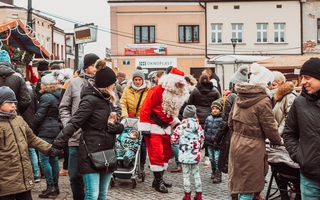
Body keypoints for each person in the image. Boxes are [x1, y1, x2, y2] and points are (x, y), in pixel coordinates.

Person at [52, 59, 124, 200]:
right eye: (113, 82)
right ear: (106, 85)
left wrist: (115, 126)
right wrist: (57, 144)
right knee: (92, 194)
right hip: (90, 152)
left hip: (107, 151)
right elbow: (74, 123)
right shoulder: (90, 100)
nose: (115, 85)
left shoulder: (109, 99)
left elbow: (119, 123)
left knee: (102, 194)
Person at [227, 63, 283, 200]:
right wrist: (278, 141)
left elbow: (230, 122)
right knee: (248, 184)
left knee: (238, 175)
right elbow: (270, 126)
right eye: (270, 84)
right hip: (252, 146)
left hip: (236, 141)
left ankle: (236, 196)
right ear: (265, 83)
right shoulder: (263, 100)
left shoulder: (239, 96)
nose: (271, 87)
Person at [0, 86, 60, 200]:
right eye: (9, 102)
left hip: (23, 179)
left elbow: (32, 138)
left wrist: (48, 149)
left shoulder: (19, 120)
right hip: (5, 182)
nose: (13, 105)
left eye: (14, 102)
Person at [138, 67, 190, 193]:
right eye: (177, 83)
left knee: (166, 153)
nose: (178, 86)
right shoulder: (157, 90)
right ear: (171, 81)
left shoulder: (175, 94)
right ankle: (158, 181)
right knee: (157, 154)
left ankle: (158, 178)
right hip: (152, 127)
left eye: (180, 84)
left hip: (166, 128)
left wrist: (176, 123)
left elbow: (169, 112)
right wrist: (144, 127)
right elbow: (145, 107)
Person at [58, 53, 100, 200]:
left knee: (91, 177)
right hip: (75, 138)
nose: (96, 68)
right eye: (94, 65)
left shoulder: (103, 83)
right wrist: (68, 124)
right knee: (74, 175)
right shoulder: (73, 83)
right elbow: (63, 107)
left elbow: (115, 107)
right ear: (86, 66)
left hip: (95, 138)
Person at [282, 57, 320, 200]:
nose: (302, 82)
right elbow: (289, 133)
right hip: (309, 177)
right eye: (302, 77)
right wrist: (299, 155)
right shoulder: (299, 103)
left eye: (307, 77)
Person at [213, 65, 249, 200]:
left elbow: (225, 122)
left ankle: (234, 195)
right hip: (247, 137)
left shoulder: (231, 97)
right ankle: (246, 193)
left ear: (234, 84)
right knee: (244, 168)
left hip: (232, 136)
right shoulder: (251, 96)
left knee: (233, 167)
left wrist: (216, 138)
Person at [31, 73, 62, 198]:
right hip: (56, 130)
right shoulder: (58, 95)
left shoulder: (46, 97)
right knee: (53, 158)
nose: (40, 85)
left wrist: (32, 129)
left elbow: (39, 116)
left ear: (45, 84)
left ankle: (50, 187)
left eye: (41, 83)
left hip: (46, 130)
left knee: (44, 159)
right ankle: (56, 186)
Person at [171, 105, 205, 200]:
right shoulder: (198, 127)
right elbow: (202, 139)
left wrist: (180, 143)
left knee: (186, 176)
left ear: (184, 115)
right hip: (195, 155)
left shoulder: (180, 127)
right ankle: (198, 195)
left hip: (184, 155)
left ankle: (187, 195)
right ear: (194, 115)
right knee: (196, 174)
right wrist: (198, 148)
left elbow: (173, 140)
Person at [188, 73, 221, 167]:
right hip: (211, 116)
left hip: (198, 116)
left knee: (197, 136)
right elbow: (219, 102)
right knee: (209, 137)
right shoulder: (214, 90)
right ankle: (207, 156)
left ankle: (195, 155)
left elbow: (190, 103)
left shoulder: (195, 90)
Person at [120, 69, 150, 171]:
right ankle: (126, 159)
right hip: (129, 119)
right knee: (127, 139)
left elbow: (149, 106)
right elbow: (123, 103)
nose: (137, 82)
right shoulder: (127, 90)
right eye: (135, 79)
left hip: (142, 120)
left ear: (143, 80)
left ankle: (141, 164)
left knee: (142, 143)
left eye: (139, 79)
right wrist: (125, 115)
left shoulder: (147, 91)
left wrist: (144, 117)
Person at [21, 81, 41, 183]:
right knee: (32, 148)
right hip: (32, 121)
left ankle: (32, 174)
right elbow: (36, 107)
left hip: (23, 121)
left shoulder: (18, 93)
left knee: (27, 149)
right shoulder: (31, 91)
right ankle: (36, 174)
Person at [0, 49, 31, 115]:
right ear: (9, 62)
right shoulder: (18, 77)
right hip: (13, 115)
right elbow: (26, 100)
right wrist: (16, 111)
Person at [204, 98, 223, 184]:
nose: (215, 110)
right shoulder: (208, 118)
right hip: (209, 142)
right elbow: (205, 130)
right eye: (213, 108)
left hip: (217, 143)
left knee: (217, 158)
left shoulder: (221, 119)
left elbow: (222, 132)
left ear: (220, 109)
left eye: (217, 108)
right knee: (211, 158)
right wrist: (204, 140)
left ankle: (218, 174)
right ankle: (213, 170)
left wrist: (220, 141)